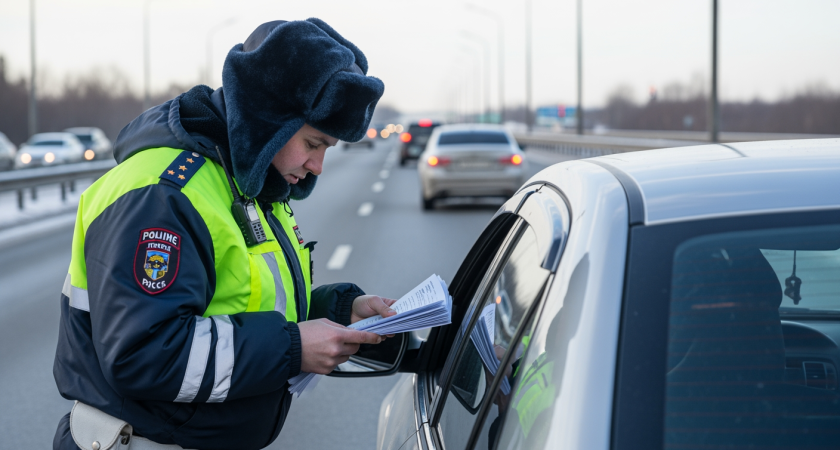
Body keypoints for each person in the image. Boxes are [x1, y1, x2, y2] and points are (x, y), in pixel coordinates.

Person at [53, 18, 391, 450]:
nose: (317, 167)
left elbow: (236, 304)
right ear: (269, 120)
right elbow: (144, 355)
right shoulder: (163, 194)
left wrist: (340, 311)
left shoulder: (247, 182)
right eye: (313, 143)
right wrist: (292, 347)